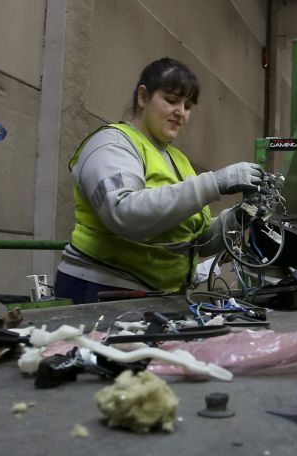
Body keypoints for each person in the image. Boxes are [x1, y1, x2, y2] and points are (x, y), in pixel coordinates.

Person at [54, 57, 265, 304]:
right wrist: (216, 183)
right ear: (143, 97)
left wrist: (236, 220)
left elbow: (188, 241)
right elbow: (124, 213)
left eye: (188, 106)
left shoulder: (177, 159)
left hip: (160, 296)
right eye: (172, 100)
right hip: (101, 291)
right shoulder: (111, 145)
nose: (181, 112)